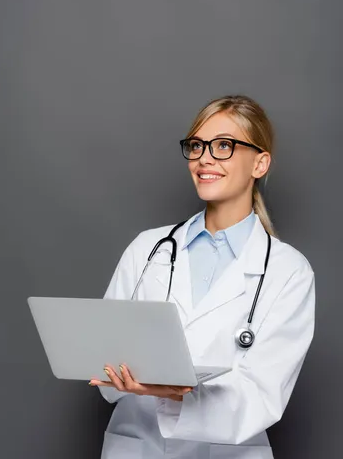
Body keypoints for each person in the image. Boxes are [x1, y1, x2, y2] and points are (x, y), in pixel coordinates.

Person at [89, 94, 315, 459]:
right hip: (137, 447)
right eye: (196, 146)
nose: (204, 158)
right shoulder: (148, 249)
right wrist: (119, 374)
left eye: (223, 145)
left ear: (260, 163)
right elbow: (106, 374)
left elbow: (263, 397)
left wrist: (173, 393)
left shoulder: (289, 271)